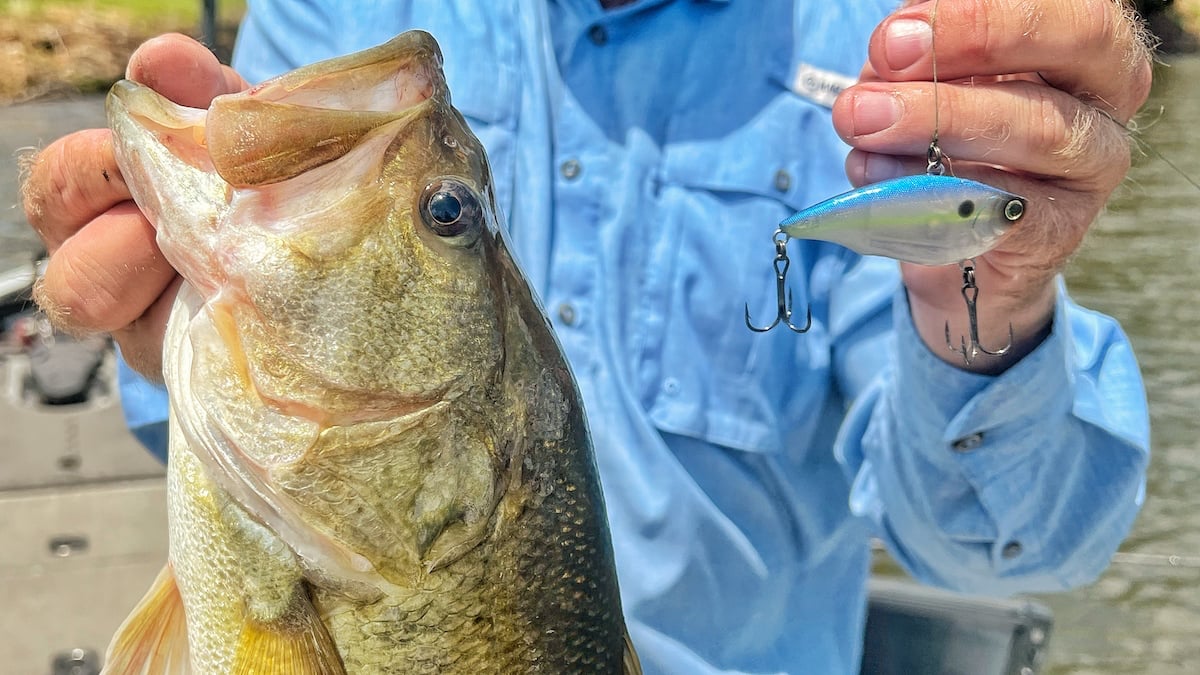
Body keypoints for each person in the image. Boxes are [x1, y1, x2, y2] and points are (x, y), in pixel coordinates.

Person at [20, 1, 1153, 673]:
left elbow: (1002, 542)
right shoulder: (344, 13)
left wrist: (994, 302)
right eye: (444, 218)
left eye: (444, 216)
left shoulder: (887, 59)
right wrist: (157, 315)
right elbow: (183, 405)